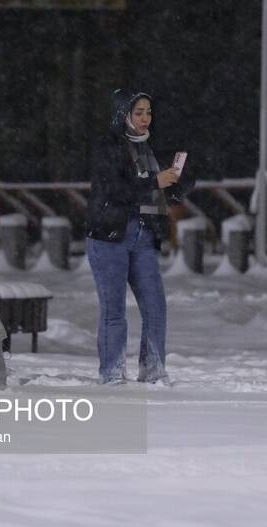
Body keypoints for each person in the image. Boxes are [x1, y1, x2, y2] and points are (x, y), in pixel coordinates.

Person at [85, 88, 194, 384]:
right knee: (114, 311)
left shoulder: (152, 148)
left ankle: (154, 369)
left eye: (148, 112)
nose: (145, 118)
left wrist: (176, 183)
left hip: (144, 235)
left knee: (156, 307)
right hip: (109, 236)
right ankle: (112, 372)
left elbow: (159, 191)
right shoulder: (108, 146)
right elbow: (116, 191)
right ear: (124, 115)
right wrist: (154, 181)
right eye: (138, 113)